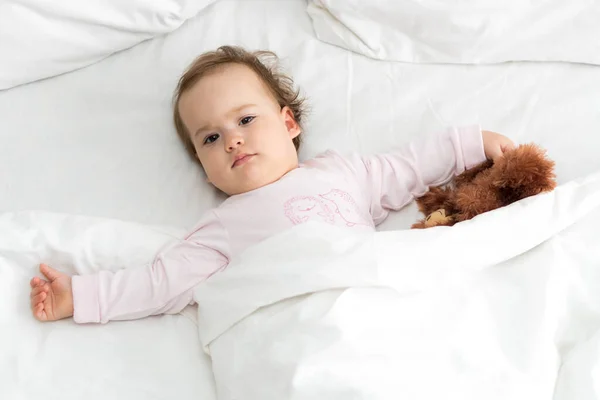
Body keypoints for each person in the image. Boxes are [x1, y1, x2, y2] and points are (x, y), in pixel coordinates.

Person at [29, 46, 515, 324]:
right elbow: (158, 284)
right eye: (211, 137)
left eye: (245, 118)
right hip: (306, 323)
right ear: (204, 168)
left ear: (288, 124)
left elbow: (407, 167)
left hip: (375, 306)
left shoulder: (340, 173)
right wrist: (82, 297)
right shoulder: (221, 228)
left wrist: (470, 142)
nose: (233, 139)